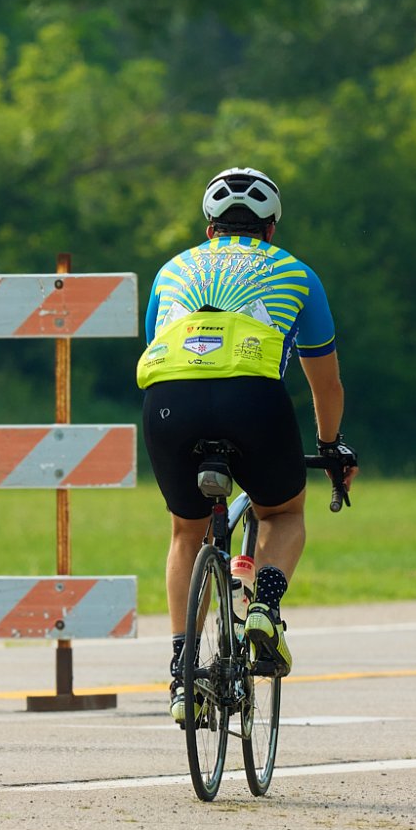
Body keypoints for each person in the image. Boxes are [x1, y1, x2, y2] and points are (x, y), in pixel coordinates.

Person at [136, 167, 358, 722]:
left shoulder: (171, 269)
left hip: (169, 403)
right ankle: (265, 605)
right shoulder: (297, 274)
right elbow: (324, 383)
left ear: (209, 227)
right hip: (253, 401)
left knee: (186, 532)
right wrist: (330, 446)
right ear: (272, 228)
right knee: (282, 512)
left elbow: (160, 349)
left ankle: (183, 672)